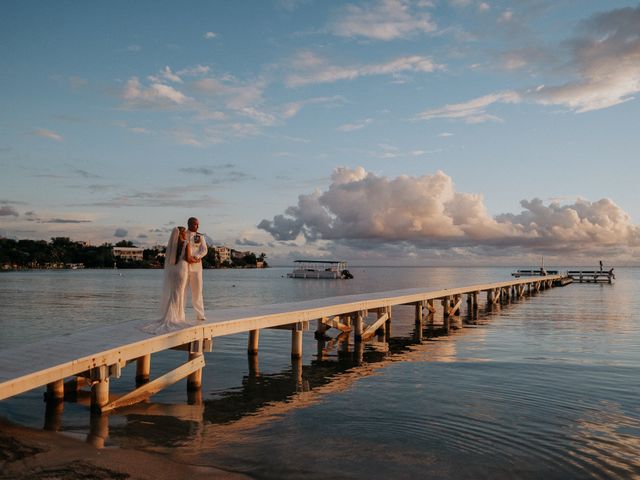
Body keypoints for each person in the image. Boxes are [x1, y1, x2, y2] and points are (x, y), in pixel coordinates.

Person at [142, 227, 194, 334]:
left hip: (173, 270)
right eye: (184, 232)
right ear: (182, 234)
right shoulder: (186, 243)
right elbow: (188, 258)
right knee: (179, 292)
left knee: (174, 292)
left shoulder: (172, 245)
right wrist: (196, 259)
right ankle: (175, 317)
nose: (185, 234)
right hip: (182, 269)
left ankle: (173, 315)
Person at [186, 217, 208, 321]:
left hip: (196, 267)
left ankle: (200, 314)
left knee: (198, 290)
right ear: (189, 224)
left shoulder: (200, 236)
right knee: (182, 291)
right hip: (184, 266)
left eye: (198, 224)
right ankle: (180, 314)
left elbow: (204, 249)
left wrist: (197, 256)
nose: (198, 226)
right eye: (195, 224)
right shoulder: (183, 235)